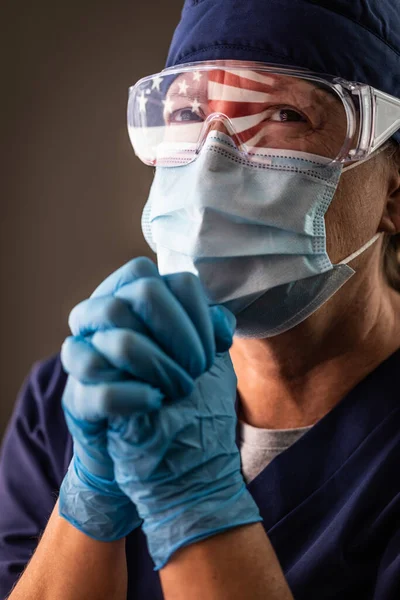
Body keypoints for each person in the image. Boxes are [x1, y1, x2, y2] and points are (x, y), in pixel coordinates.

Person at [1, 0, 400, 598]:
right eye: (188, 111)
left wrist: (194, 502)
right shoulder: (72, 400)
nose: (212, 164)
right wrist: (90, 493)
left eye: (287, 114)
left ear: (394, 192)